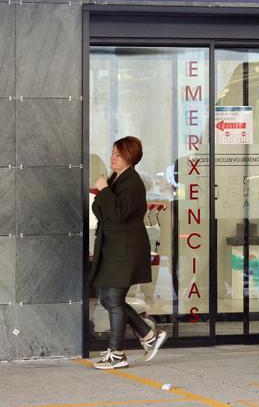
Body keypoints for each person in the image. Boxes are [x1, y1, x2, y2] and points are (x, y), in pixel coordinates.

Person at [87, 136, 167, 370]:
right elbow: (102, 210)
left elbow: (118, 213)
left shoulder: (132, 182)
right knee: (108, 298)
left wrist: (103, 190)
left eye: (118, 155)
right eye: (112, 153)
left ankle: (118, 354)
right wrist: (104, 192)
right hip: (113, 247)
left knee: (112, 299)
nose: (112, 158)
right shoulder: (117, 178)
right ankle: (148, 335)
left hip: (124, 249)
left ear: (129, 158)